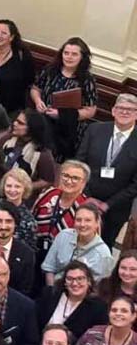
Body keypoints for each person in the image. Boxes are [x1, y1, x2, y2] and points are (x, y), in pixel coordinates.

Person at [76, 92, 137, 245]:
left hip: (116, 209)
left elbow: (135, 185)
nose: (124, 112)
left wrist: (107, 205)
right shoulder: (95, 130)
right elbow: (79, 164)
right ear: (113, 110)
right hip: (84, 199)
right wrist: (86, 196)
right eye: (120, 108)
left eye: (130, 109)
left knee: (102, 246)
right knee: (74, 239)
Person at [43, 203, 113, 285]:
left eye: (88, 220)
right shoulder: (63, 236)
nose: (82, 224)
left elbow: (100, 288)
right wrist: (51, 291)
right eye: (78, 220)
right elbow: (49, 268)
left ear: (97, 223)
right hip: (53, 288)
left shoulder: (104, 255)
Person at [37, 261, 108, 342]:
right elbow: (35, 325)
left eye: (80, 279)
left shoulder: (99, 307)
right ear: (64, 282)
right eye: (70, 279)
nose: (74, 283)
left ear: (89, 281)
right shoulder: (49, 295)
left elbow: (95, 339)